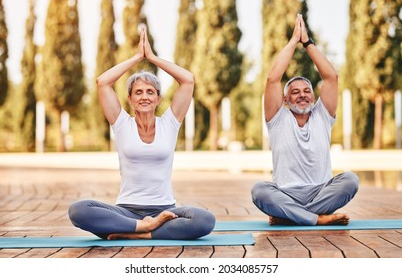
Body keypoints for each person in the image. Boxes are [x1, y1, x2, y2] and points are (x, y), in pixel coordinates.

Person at [68, 27, 215, 240]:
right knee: (78, 210)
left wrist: (153, 58)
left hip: (164, 210)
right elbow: (102, 82)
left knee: (205, 220)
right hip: (126, 211)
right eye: (138, 92)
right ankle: (142, 228)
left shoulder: (170, 123)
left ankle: (135, 234)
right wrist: (137, 58)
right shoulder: (122, 124)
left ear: (158, 98)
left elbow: (188, 80)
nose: (144, 97)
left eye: (150, 92)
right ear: (130, 99)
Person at [251, 14, 359, 226]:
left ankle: (291, 215)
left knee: (350, 180)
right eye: (295, 92)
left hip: (320, 193)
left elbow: (331, 78)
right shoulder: (277, 117)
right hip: (285, 193)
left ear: (314, 96)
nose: (302, 95)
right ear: (285, 100)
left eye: (307, 91)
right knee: (259, 191)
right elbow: (273, 78)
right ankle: (314, 218)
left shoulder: (322, 115)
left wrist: (307, 43)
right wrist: (293, 42)